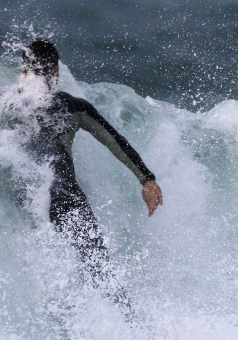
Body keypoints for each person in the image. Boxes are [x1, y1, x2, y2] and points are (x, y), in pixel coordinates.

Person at [20, 38, 163, 317]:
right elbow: (115, 142)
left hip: (26, 200)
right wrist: (147, 179)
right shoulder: (72, 106)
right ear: (55, 72)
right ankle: (127, 323)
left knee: (44, 277)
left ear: (25, 70)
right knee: (99, 271)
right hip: (68, 201)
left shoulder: (4, 106)